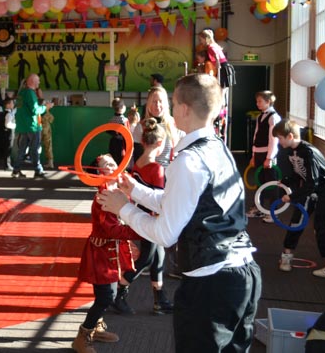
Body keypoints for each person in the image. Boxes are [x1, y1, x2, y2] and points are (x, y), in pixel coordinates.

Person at [97, 73, 261, 352]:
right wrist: (135, 190)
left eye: (173, 103)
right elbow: (182, 203)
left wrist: (123, 207)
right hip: (243, 273)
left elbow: (165, 234)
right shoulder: (217, 147)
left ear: (184, 109)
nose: (171, 110)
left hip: (212, 282)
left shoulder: (188, 160)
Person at [72, 154, 137, 353]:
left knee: (110, 293)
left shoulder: (117, 190)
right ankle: (82, 336)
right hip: (100, 253)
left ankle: (96, 327)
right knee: (105, 297)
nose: (113, 166)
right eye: (106, 165)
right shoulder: (104, 195)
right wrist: (142, 229)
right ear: (98, 173)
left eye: (113, 162)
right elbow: (112, 229)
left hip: (111, 251)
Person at [112, 119, 174, 316]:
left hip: (140, 216)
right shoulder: (157, 169)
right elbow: (158, 199)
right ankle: (119, 290)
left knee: (158, 257)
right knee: (146, 258)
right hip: (151, 220)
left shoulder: (137, 164)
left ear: (143, 141)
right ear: (160, 143)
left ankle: (159, 298)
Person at [274, 119, 325, 279]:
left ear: (290, 136)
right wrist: (285, 181)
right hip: (310, 188)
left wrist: (291, 196)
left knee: (320, 224)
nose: (279, 142)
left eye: (280, 138)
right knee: (297, 220)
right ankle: (287, 255)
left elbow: (312, 182)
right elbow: (299, 174)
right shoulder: (292, 150)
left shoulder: (308, 152)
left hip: (324, 190)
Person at [10, 74, 53, 179]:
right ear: (32, 81)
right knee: (34, 149)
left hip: (22, 126)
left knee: (22, 149)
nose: (39, 82)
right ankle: (38, 170)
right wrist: (46, 107)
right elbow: (35, 110)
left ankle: (16, 170)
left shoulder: (21, 93)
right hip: (33, 126)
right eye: (38, 80)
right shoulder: (30, 93)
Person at [247, 91, 281, 223]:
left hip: (268, 154)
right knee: (259, 181)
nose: (257, 104)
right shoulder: (260, 116)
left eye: (260, 101)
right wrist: (254, 155)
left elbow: (274, 139)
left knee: (271, 184)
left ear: (268, 102)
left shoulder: (274, 117)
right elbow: (256, 136)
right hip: (259, 153)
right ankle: (258, 208)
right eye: (257, 101)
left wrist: (270, 157)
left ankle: (274, 213)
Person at [108, 98, 128, 165]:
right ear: (122, 107)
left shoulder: (111, 119)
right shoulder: (124, 120)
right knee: (121, 160)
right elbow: (126, 133)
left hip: (113, 141)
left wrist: (115, 134)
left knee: (113, 159)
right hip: (121, 143)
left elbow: (108, 130)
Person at [40, 101, 55, 169]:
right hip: (47, 130)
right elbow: (51, 119)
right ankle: (50, 163)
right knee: (48, 146)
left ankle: (36, 162)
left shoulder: (39, 111)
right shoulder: (47, 113)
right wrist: (48, 109)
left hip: (39, 129)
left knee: (36, 146)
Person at [3, 96, 17, 171]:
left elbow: (14, 111)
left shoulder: (10, 113)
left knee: (8, 149)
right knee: (8, 150)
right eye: (12, 103)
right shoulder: (8, 114)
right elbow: (7, 124)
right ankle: (7, 165)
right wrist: (15, 126)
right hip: (9, 134)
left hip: (9, 134)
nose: (13, 104)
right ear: (7, 105)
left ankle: (8, 164)